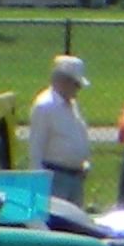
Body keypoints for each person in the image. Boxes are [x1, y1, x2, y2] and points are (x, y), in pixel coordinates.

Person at [30, 54, 97, 213]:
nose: (77, 90)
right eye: (75, 85)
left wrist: (84, 163)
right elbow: (36, 147)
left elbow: (77, 134)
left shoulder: (71, 105)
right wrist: (39, 183)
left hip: (75, 177)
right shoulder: (45, 106)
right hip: (56, 177)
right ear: (61, 81)